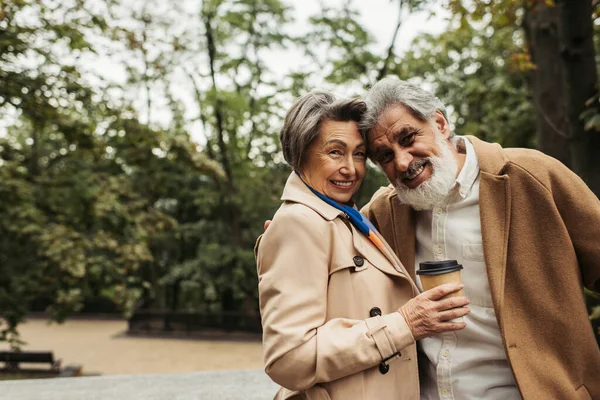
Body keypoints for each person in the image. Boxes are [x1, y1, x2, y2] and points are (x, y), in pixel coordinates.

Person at [360, 77, 600, 400]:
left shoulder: (534, 176)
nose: (402, 161)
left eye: (408, 138)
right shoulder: (383, 214)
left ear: (440, 123)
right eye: (385, 156)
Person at [255, 91, 470, 400]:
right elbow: (288, 358)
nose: (351, 169)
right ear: (300, 155)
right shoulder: (299, 222)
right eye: (335, 152)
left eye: (358, 154)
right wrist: (404, 324)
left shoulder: (347, 218)